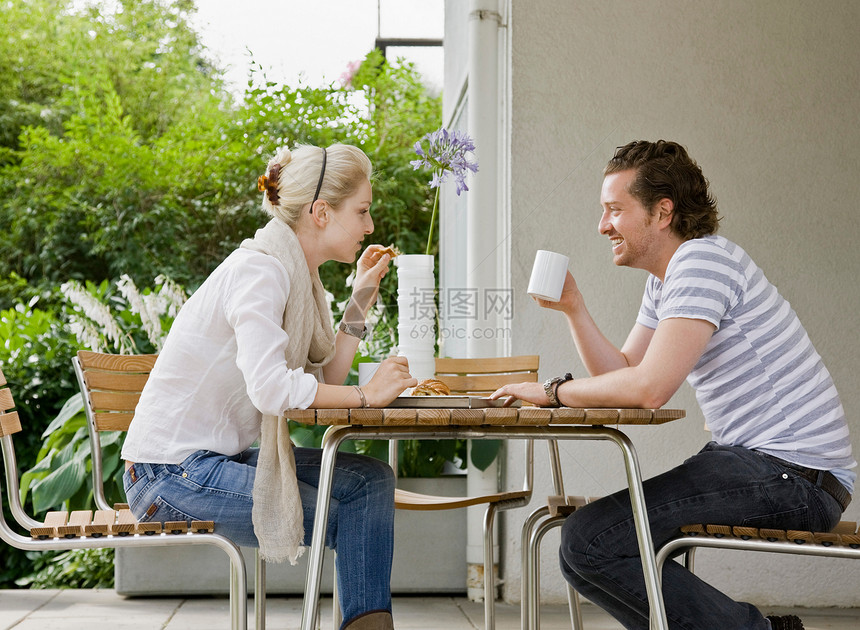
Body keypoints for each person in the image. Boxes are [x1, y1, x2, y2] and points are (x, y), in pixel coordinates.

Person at [491, 140, 855, 630]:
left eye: (615, 210)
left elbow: (648, 389)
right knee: (586, 545)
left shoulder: (702, 262)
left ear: (662, 212)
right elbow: (622, 371)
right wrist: (574, 308)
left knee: (589, 542)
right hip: (762, 465)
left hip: (796, 476)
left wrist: (553, 391)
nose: (603, 226)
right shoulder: (667, 279)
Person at [121, 143, 416, 630]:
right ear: (320, 212)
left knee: (371, 481)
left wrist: (360, 300)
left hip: (211, 464)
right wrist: (369, 397)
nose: (369, 226)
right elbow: (272, 389)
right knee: (346, 513)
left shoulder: (300, 277)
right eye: (361, 211)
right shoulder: (261, 270)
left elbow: (324, 381)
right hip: (167, 476)